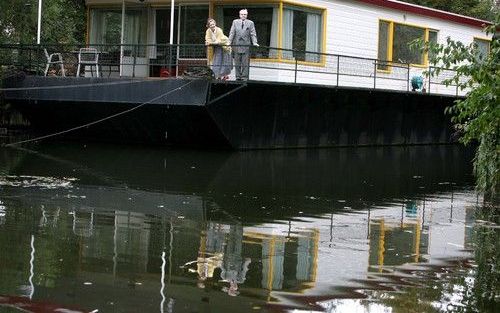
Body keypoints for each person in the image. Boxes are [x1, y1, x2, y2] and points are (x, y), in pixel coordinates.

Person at [228, 9, 258, 80]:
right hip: (236, 45)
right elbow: (232, 33)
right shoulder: (235, 22)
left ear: (247, 15)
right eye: (242, 14)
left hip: (246, 45)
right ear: (239, 15)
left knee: (245, 63)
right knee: (237, 62)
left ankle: (245, 77)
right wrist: (229, 42)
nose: (243, 16)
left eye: (245, 14)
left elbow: (253, 33)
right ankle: (238, 77)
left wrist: (255, 42)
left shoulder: (250, 23)